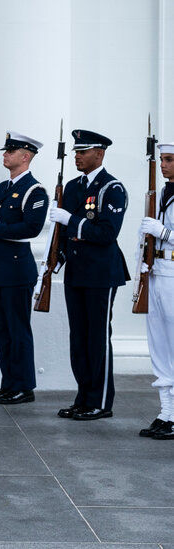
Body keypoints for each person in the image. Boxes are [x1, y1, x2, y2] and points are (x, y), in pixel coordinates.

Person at [49, 129, 129, 420]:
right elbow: (64, 234)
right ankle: (83, 397)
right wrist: (56, 257)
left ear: (100, 153)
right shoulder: (71, 187)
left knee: (97, 337)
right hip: (76, 270)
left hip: (101, 272)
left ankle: (101, 401)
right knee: (79, 338)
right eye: (76, 152)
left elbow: (107, 233)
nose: (77, 156)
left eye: (83, 151)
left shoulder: (112, 188)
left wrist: (71, 220)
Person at [0, 132, 48, 405]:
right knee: (2, 330)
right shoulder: (2, 189)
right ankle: (8, 383)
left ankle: (24, 386)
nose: (5, 155)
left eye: (11, 151)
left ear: (25, 156)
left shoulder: (34, 190)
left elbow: (31, 228)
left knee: (18, 329)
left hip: (17, 269)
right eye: (6, 150)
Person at [137, 140, 174, 439]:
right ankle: (166, 412)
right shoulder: (160, 193)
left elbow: (163, 233)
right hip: (157, 272)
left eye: (169, 159)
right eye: (162, 159)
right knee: (159, 344)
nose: (163, 164)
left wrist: (164, 233)